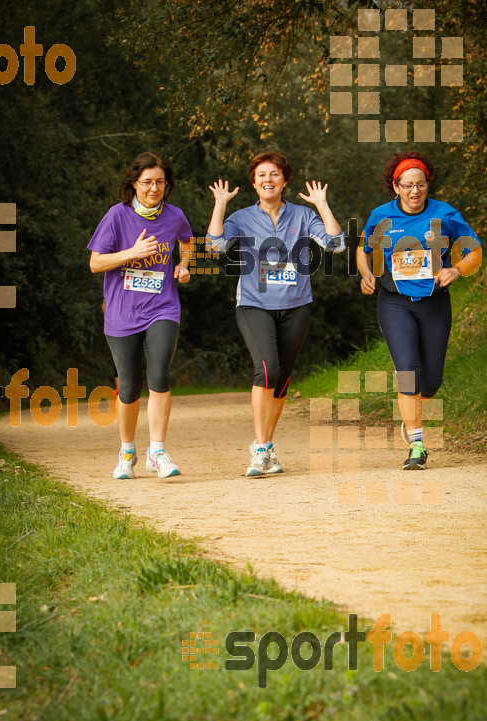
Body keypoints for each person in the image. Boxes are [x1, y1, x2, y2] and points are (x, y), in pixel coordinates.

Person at [207, 151, 345, 476]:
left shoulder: (302, 215)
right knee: (266, 370)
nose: (268, 180)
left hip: (296, 306)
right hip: (254, 304)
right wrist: (220, 204)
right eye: (261, 175)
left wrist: (322, 204)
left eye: (274, 174)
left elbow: (336, 244)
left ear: (284, 181)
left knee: (281, 381)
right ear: (253, 183)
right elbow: (214, 246)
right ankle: (260, 449)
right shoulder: (240, 217)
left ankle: (266, 448)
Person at [356, 151, 482, 469]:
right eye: (408, 185)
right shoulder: (380, 217)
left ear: (428, 185)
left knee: (430, 383)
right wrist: (366, 272)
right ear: (395, 186)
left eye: (421, 184)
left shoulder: (445, 214)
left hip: (435, 303)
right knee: (408, 372)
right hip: (394, 303)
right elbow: (363, 249)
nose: (415, 191)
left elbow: (474, 251)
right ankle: (417, 445)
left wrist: (457, 269)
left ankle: (410, 419)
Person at [88, 151, 192, 479]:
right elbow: (95, 263)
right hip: (121, 313)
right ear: (134, 184)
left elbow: (189, 242)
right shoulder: (116, 217)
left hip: (163, 308)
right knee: (130, 387)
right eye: (147, 182)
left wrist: (185, 265)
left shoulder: (175, 216)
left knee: (159, 376)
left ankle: (158, 452)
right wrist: (131, 253)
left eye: (160, 182)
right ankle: (127, 453)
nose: (153, 188)